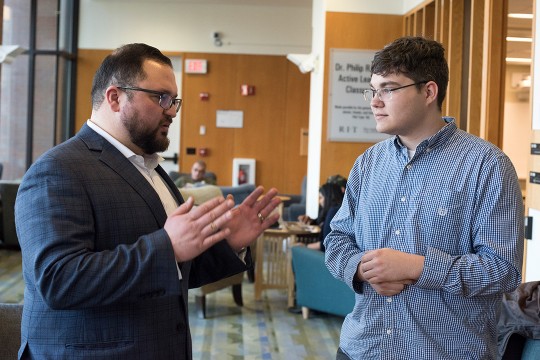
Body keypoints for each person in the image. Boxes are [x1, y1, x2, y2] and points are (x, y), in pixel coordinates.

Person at [14, 43, 281, 359]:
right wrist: (167, 246)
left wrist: (227, 245)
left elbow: (175, 272)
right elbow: (59, 280)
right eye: (161, 98)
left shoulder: (153, 170)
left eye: (174, 101)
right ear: (115, 97)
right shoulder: (57, 170)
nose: (171, 111)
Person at [324, 36, 524, 360]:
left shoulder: (488, 165)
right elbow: (337, 240)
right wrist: (362, 268)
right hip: (361, 348)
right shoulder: (368, 163)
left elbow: (503, 270)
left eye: (388, 89)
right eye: (373, 90)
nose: (375, 101)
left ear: (429, 92)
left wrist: (417, 267)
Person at [298, 182, 344, 252]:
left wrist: (304, 246)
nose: (319, 202)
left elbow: (326, 244)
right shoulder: (338, 210)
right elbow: (322, 224)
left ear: (328, 197)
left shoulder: (333, 211)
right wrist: (310, 221)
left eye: (321, 198)